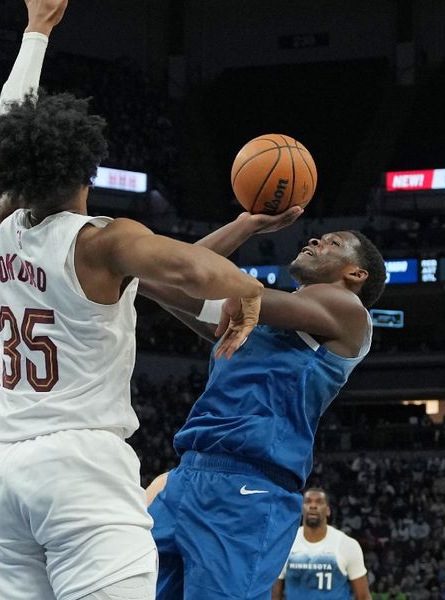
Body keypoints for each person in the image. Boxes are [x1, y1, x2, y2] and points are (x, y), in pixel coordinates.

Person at [0, 2, 264, 599]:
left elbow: (6, 128)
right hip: (79, 468)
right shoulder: (104, 241)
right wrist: (250, 287)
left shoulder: (4, 229)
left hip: (4, 474)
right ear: (90, 170)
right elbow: (186, 267)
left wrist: (36, 33)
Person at [137, 212, 386, 599]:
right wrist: (246, 224)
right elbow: (162, 274)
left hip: (249, 488)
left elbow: (207, 281)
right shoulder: (255, 316)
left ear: (355, 274)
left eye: (332, 243)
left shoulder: (348, 311)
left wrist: (191, 275)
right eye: (319, 237)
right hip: (189, 475)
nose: (316, 241)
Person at [272, 488, 371, 600]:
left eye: (319, 502)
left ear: (328, 510)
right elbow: (274, 594)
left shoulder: (347, 545)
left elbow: (363, 596)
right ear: (301, 509)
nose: (313, 506)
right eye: (308, 501)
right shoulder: (285, 544)